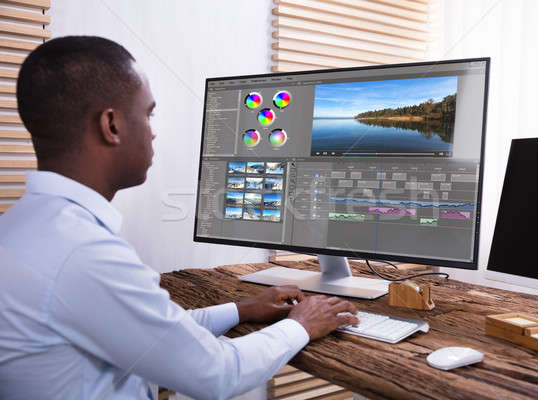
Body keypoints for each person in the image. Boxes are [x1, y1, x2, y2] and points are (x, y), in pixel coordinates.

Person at [0, 36, 358, 400]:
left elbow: (154, 333)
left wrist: (241, 309)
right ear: (111, 125)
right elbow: (217, 374)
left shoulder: (24, 228)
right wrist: (302, 324)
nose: (153, 130)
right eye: (148, 113)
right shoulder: (83, 254)